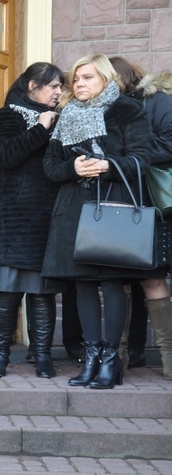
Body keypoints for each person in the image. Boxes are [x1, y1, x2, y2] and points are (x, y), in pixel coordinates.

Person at [42, 53, 153, 389]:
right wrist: (71, 168)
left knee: (110, 282)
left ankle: (110, 360)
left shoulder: (126, 110)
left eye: (87, 77)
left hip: (111, 206)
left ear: (105, 79)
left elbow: (142, 160)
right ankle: (91, 358)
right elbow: (50, 166)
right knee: (82, 283)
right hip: (74, 209)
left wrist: (108, 165)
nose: (79, 84)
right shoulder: (67, 115)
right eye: (75, 79)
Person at [0, 62, 65, 378]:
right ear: (32, 85)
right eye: (53, 86)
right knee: (7, 291)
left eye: (61, 87)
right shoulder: (6, 116)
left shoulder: (60, 120)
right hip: (12, 219)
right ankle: (0, 356)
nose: (59, 92)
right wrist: (40, 129)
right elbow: (5, 155)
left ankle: (43, 357)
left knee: (42, 291)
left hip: (46, 218)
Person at [110, 56, 172, 379]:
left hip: (152, 204)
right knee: (117, 279)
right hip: (118, 203)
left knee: (152, 277)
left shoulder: (157, 101)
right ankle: (115, 360)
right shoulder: (103, 109)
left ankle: (169, 360)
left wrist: (136, 156)